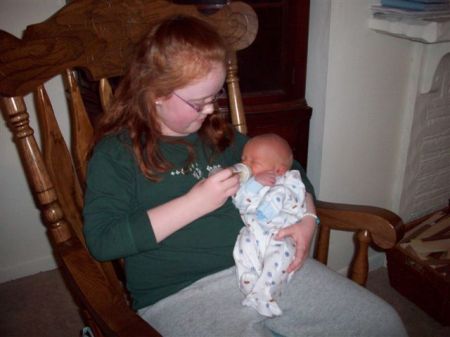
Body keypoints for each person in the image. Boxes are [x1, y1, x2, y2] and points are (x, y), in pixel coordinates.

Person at [83, 15, 408, 337]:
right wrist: (195, 203)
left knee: (381, 322)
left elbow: (290, 171)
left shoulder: (218, 137)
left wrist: (308, 218)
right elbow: (102, 241)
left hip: (267, 265)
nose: (211, 110)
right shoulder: (116, 154)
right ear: (155, 92)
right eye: (199, 102)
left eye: (215, 97)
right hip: (179, 295)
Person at [231, 133, 312, 317]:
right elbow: (240, 202)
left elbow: (294, 197)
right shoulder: (246, 184)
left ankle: (265, 293)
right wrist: (253, 185)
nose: (245, 164)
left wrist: (272, 202)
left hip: (281, 234)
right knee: (242, 247)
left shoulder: (290, 181)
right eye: (244, 158)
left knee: (280, 259)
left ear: (279, 170)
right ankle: (249, 281)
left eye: (254, 161)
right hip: (254, 232)